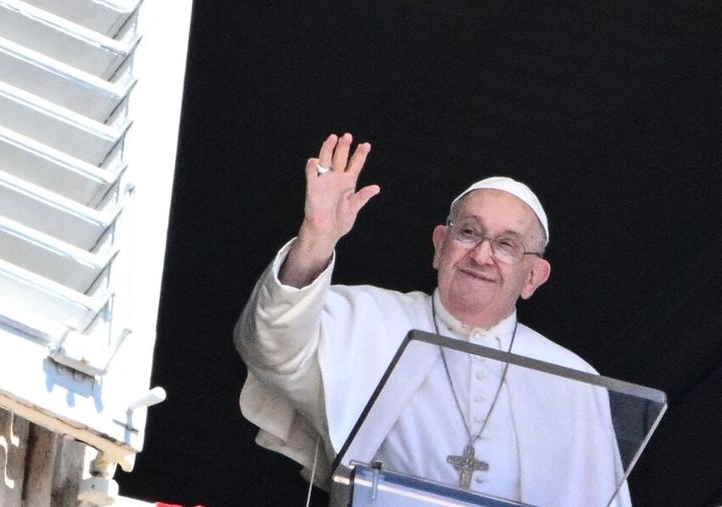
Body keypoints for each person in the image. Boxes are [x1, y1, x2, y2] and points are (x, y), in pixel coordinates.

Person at [234, 133, 628, 505]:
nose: (482, 255)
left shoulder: (574, 382)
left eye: (507, 244)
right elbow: (270, 346)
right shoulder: (366, 319)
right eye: (469, 232)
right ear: (440, 246)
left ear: (532, 277)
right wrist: (317, 238)